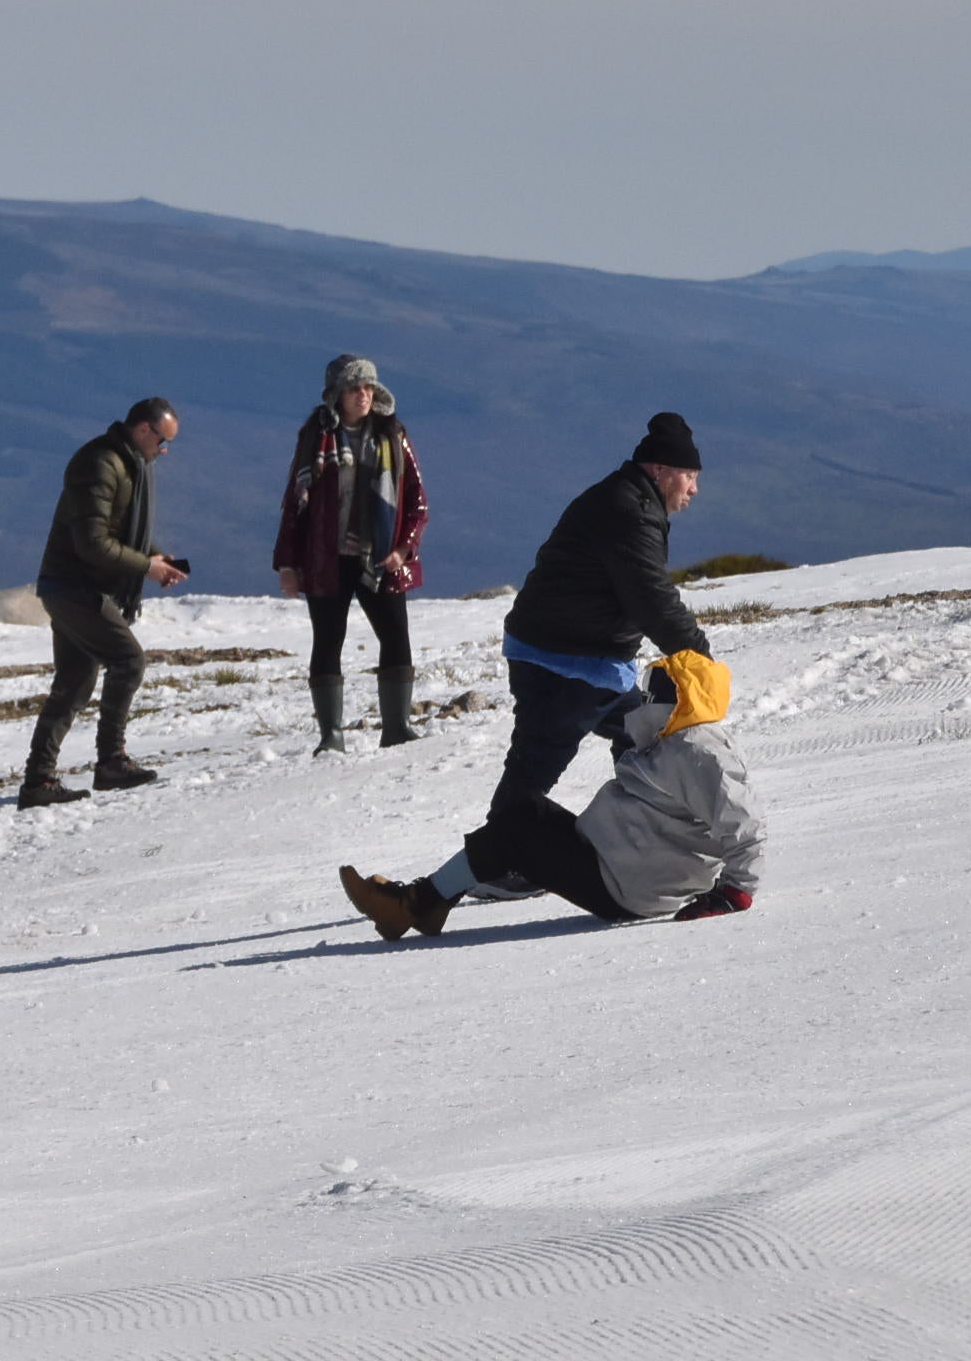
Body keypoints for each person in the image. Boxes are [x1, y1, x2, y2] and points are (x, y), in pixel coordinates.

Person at [338, 650, 759, 938]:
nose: (644, 698)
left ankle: (415, 905)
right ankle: (428, 900)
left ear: (680, 700)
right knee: (523, 821)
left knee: (522, 819)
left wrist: (733, 893)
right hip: (629, 870)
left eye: (655, 692)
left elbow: (745, 826)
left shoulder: (700, 751)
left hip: (627, 887)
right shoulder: (678, 743)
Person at [481, 413, 713, 855]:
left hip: (588, 657)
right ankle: (497, 861)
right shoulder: (627, 510)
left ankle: (640, 834)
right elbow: (651, 597)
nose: (695, 489)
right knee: (537, 764)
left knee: (638, 737)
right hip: (561, 660)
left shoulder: (631, 500)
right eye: (690, 476)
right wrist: (699, 658)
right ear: (660, 471)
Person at [21, 398, 190, 808]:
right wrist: (144, 566)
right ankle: (111, 762)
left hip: (74, 587)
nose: (164, 451)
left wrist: (153, 557)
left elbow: (117, 531)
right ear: (144, 431)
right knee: (128, 660)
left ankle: (38, 782)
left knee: (75, 681)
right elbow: (93, 543)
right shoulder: (99, 464)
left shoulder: (127, 464)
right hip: (74, 587)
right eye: (163, 440)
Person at [274, 354, 430, 754]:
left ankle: (397, 727)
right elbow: (295, 503)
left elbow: (416, 501)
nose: (363, 395)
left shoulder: (393, 435)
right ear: (336, 395)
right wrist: (288, 564)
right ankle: (331, 735)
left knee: (396, 636)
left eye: (368, 388)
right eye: (354, 388)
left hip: (381, 559)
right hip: (327, 558)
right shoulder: (316, 437)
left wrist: (402, 548)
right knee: (328, 640)